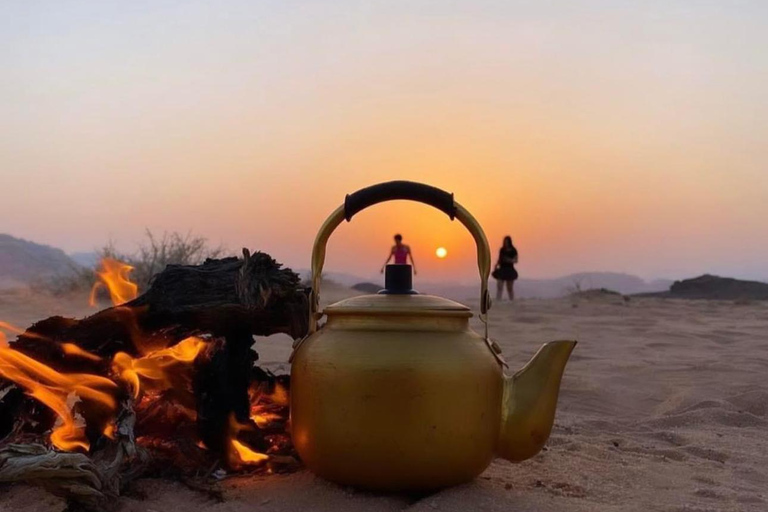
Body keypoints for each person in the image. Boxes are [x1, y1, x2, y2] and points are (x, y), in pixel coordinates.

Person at [492, 236, 518, 300]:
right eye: (505, 242)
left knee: (509, 288)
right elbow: (499, 258)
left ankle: (512, 300)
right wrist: (496, 265)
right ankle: (498, 300)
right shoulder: (502, 250)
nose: (506, 243)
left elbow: (516, 260)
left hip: (509, 269)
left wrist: (509, 260)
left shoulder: (513, 250)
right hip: (502, 269)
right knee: (499, 286)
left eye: (507, 242)